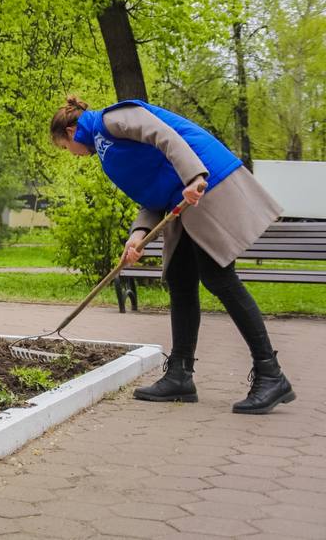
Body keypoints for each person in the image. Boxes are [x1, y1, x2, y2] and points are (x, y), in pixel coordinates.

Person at [51, 96, 295, 414]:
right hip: (182, 202)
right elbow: (151, 195)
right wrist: (136, 237)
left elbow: (165, 135)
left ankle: (270, 373)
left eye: (63, 147)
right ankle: (180, 374)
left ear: (71, 131)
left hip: (207, 186)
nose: (70, 155)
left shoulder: (111, 120)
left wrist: (194, 176)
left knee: (219, 277)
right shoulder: (107, 151)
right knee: (180, 280)